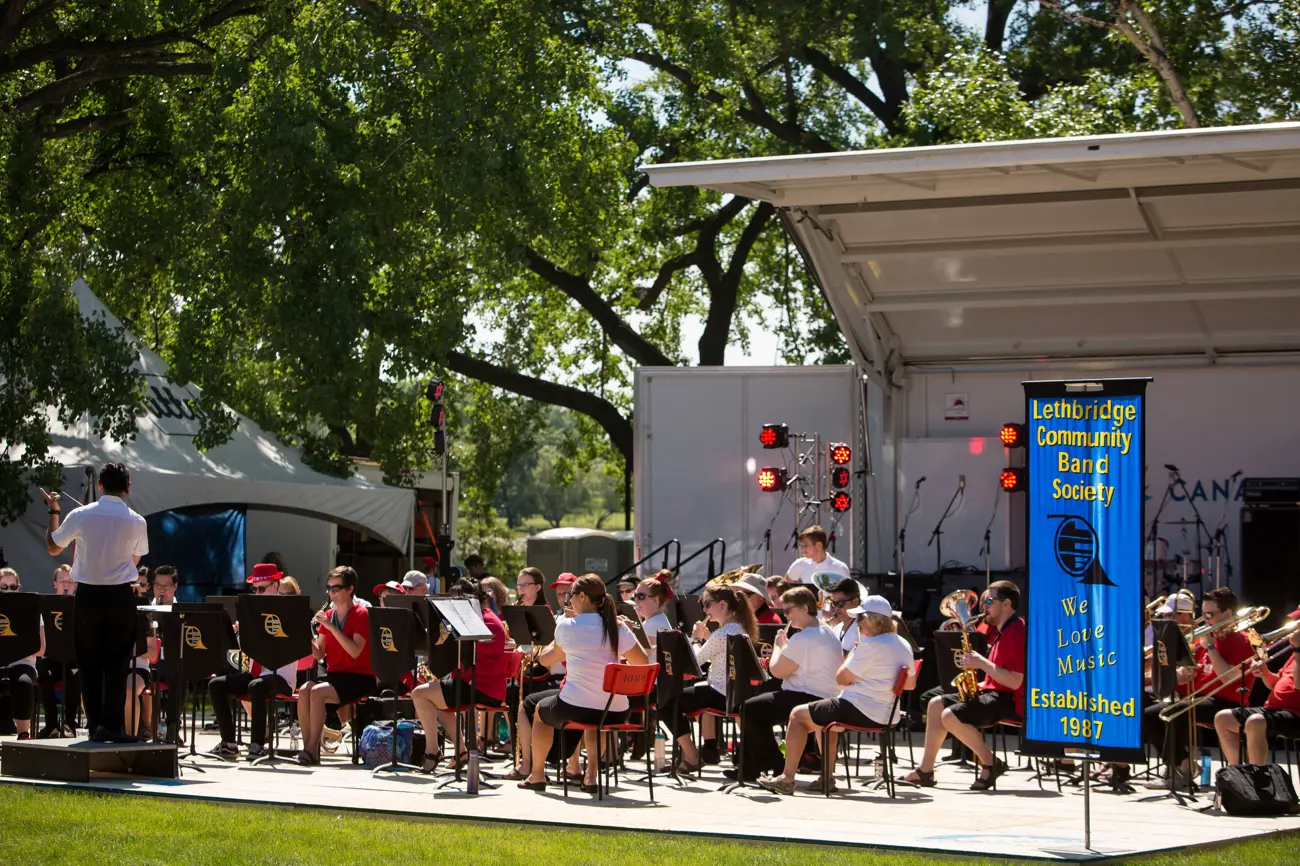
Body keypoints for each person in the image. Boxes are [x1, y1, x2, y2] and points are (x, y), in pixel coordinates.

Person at [759, 595, 916, 795]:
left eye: (859, 619)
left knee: (798, 715)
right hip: (888, 714)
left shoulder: (869, 645)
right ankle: (827, 777)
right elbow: (909, 684)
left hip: (862, 709)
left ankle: (787, 778)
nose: (857, 623)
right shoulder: (902, 643)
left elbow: (841, 679)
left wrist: (855, 651)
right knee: (825, 720)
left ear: (870, 620)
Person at [43, 462, 149, 743]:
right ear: (127, 487)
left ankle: (94, 727)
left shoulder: (80, 514)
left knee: (89, 662)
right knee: (117, 663)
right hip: (120, 596)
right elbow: (137, 557)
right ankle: (111, 727)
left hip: (89, 595)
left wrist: (54, 511)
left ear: (99, 485)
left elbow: (54, 547)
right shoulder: (137, 520)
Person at [519, 575, 647, 793]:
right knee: (598, 721)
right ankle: (590, 777)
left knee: (540, 712)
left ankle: (537, 775)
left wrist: (549, 647)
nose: (569, 602)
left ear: (581, 596)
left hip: (575, 707)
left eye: (570, 596)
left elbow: (546, 659)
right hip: (616, 710)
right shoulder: (617, 627)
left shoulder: (567, 626)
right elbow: (643, 662)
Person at [903, 579, 1025, 791]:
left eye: (990, 601)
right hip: (994, 693)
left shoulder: (1016, 631)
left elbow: (1015, 681)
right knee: (935, 704)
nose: (984, 606)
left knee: (950, 715)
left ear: (1006, 604)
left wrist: (981, 663)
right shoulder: (999, 630)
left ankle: (990, 763)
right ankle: (926, 770)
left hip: (1012, 701)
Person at [1142, 586, 1256, 789]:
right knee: (1151, 714)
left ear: (1228, 614)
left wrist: (1210, 647)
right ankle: (1182, 765)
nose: (1205, 620)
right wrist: (1183, 673)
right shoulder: (1206, 639)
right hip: (1199, 697)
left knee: (1176, 712)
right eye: (1203, 614)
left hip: (1225, 702)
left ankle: (1180, 773)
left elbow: (1228, 678)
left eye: (1210, 615)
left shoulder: (1243, 641)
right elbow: (1194, 670)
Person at [739, 586, 844, 783]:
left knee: (749, 709)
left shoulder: (803, 637)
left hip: (807, 696)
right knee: (755, 707)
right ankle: (754, 767)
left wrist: (779, 647)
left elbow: (777, 671)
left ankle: (776, 765)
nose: (786, 616)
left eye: (788, 611)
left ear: (804, 608)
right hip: (825, 695)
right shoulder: (827, 631)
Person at [410, 578, 509, 772]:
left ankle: (433, 750)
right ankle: (461, 751)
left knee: (419, 694)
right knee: (433, 701)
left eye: (457, 601)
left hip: (481, 686)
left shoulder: (486, 622)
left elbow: (466, 657)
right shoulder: (480, 617)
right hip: (472, 682)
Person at [208, 564, 298, 761]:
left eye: (261, 588)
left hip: (280, 675)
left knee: (256, 686)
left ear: (275, 586)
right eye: (255, 589)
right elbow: (242, 650)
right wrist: (239, 634)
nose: (257, 593)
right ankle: (229, 742)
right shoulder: (253, 611)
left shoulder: (288, 612)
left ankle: (257, 744)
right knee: (216, 685)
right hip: (256, 673)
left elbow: (292, 646)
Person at [666, 582, 759, 771]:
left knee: (666, 703)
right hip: (733, 692)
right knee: (679, 697)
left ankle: (691, 756)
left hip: (719, 692)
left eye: (707, 604)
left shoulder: (723, 633)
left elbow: (694, 662)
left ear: (722, 605)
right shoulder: (737, 628)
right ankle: (696, 752)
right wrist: (708, 639)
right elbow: (721, 655)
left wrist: (696, 639)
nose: (704, 609)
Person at [297, 566, 377, 765]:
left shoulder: (361, 614)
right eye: (329, 588)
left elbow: (355, 651)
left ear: (350, 589)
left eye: (336, 588)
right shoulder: (329, 615)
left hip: (359, 676)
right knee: (305, 689)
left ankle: (311, 749)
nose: (331, 593)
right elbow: (319, 653)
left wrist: (331, 627)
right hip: (336, 675)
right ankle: (310, 748)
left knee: (317, 692)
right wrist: (304, 634)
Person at [1214, 605, 1300, 766]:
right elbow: (1276, 685)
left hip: (1295, 714)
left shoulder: (1297, 652)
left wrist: (1298, 649)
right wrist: (1265, 673)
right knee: (1223, 718)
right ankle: (1240, 774)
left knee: (1255, 722)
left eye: (1298, 622)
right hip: (1274, 709)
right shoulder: (1294, 654)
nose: (1295, 625)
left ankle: (1257, 777)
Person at [0, 569, 45, 740]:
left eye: (13, 587)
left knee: (23, 682)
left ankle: (23, 734)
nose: (9, 592)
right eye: (3, 587)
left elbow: (41, 649)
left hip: (22, 662)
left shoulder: (30, 611)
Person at [37, 565, 81, 738]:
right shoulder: (45, 606)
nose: (66, 585)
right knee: (43, 676)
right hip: (52, 658)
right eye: (62, 581)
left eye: (70, 581)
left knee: (75, 676)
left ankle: (69, 724)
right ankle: (51, 725)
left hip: (73, 658)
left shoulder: (81, 606)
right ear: (55, 583)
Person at [785, 526, 850, 587]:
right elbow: (785, 585)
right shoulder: (799, 563)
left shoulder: (840, 568)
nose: (802, 549)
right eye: (801, 546)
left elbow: (850, 593)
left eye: (805, 546)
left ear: (819, 545)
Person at [631, 571, 676, 650]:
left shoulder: (654, 624)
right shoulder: (656, 620)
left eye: (640, 597)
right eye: (635, 596)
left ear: (655, 600)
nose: (636, 601)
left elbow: (640, 659)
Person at [823, 578, 863, 652]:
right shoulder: (836, 630)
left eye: (840, 603)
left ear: (855, 602)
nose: (835, 609)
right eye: (833, 603)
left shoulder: (864, 631)